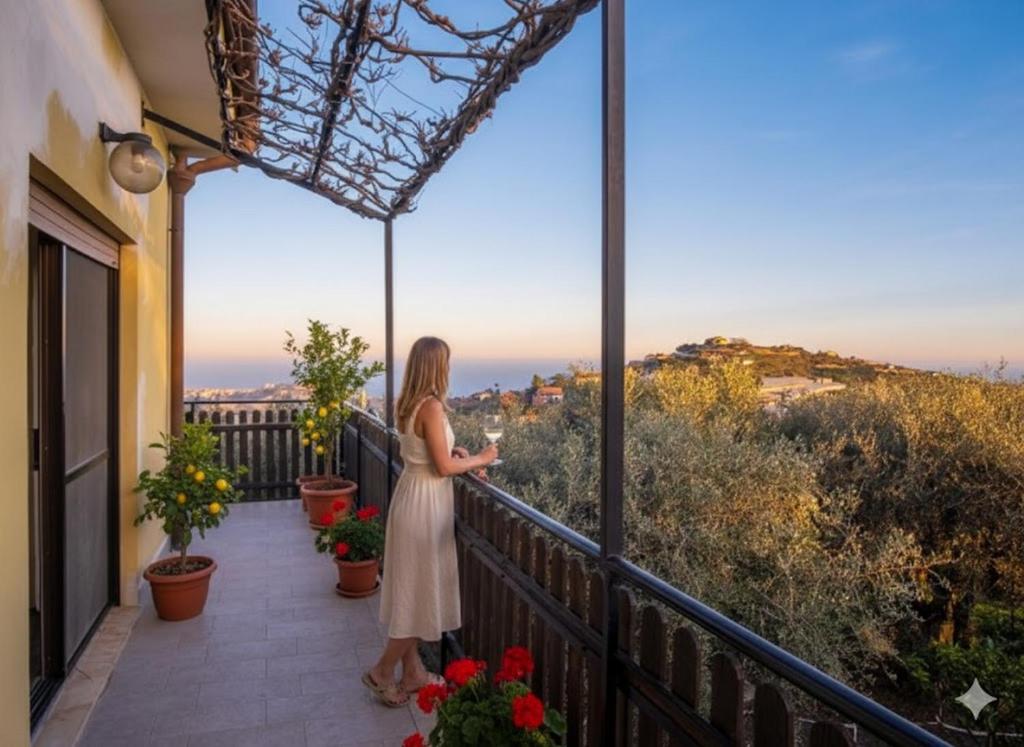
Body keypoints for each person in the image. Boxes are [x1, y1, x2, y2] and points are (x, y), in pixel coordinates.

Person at [362, 336, 498, 706]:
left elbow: (428, 453)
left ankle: (414, 674)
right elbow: (442, 467)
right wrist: (481, 459)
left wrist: (456, 453)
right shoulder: (433, 407)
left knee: (411, 590)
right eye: (447, 362)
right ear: (437, 366)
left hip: (409, 497)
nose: (450, 368)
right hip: (425, 505)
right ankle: (381, 671)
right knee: (420, 595)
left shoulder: (407, 404)